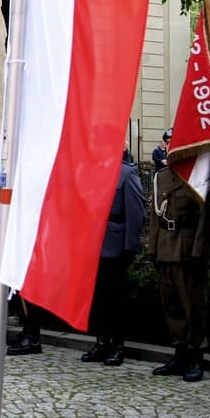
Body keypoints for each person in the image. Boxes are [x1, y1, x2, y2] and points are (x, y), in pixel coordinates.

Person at [147, 164, 210, 382]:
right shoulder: (161, 176)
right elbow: (155, 216)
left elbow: (204, 216)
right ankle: (180, 352)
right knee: (171, 304)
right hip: (165, 246)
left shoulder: (196, 174)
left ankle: (196, 355)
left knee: (192, 305)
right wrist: (153, 249)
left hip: (187, 248)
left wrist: (199, 250)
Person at [80, 149, 145, 365]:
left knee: (115, 299)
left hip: (115, 245)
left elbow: (136, 213)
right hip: (94, 245)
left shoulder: (127, 173)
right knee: (97, 298)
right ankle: (101, 342)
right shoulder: (93, 172)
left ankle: (117, 345)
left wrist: (130, 247)